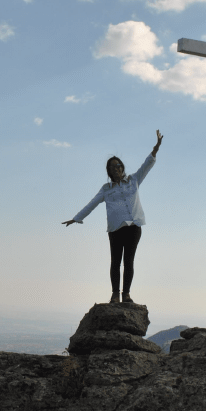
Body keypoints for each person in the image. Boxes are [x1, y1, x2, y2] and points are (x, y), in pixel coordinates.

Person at [63, 130, 163, 304]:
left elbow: (146, 165)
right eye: (112, 167)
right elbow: (92, 203)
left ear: (122, 167)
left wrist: (155, 150)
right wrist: (76, 218)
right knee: (115, 262)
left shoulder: (133, 180)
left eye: (118, 165)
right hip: (115, 229)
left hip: (134, 226)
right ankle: (115, 294)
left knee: (129, 262)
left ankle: (126, 295)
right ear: (109, 171)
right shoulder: (106, 189)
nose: (116, 168)